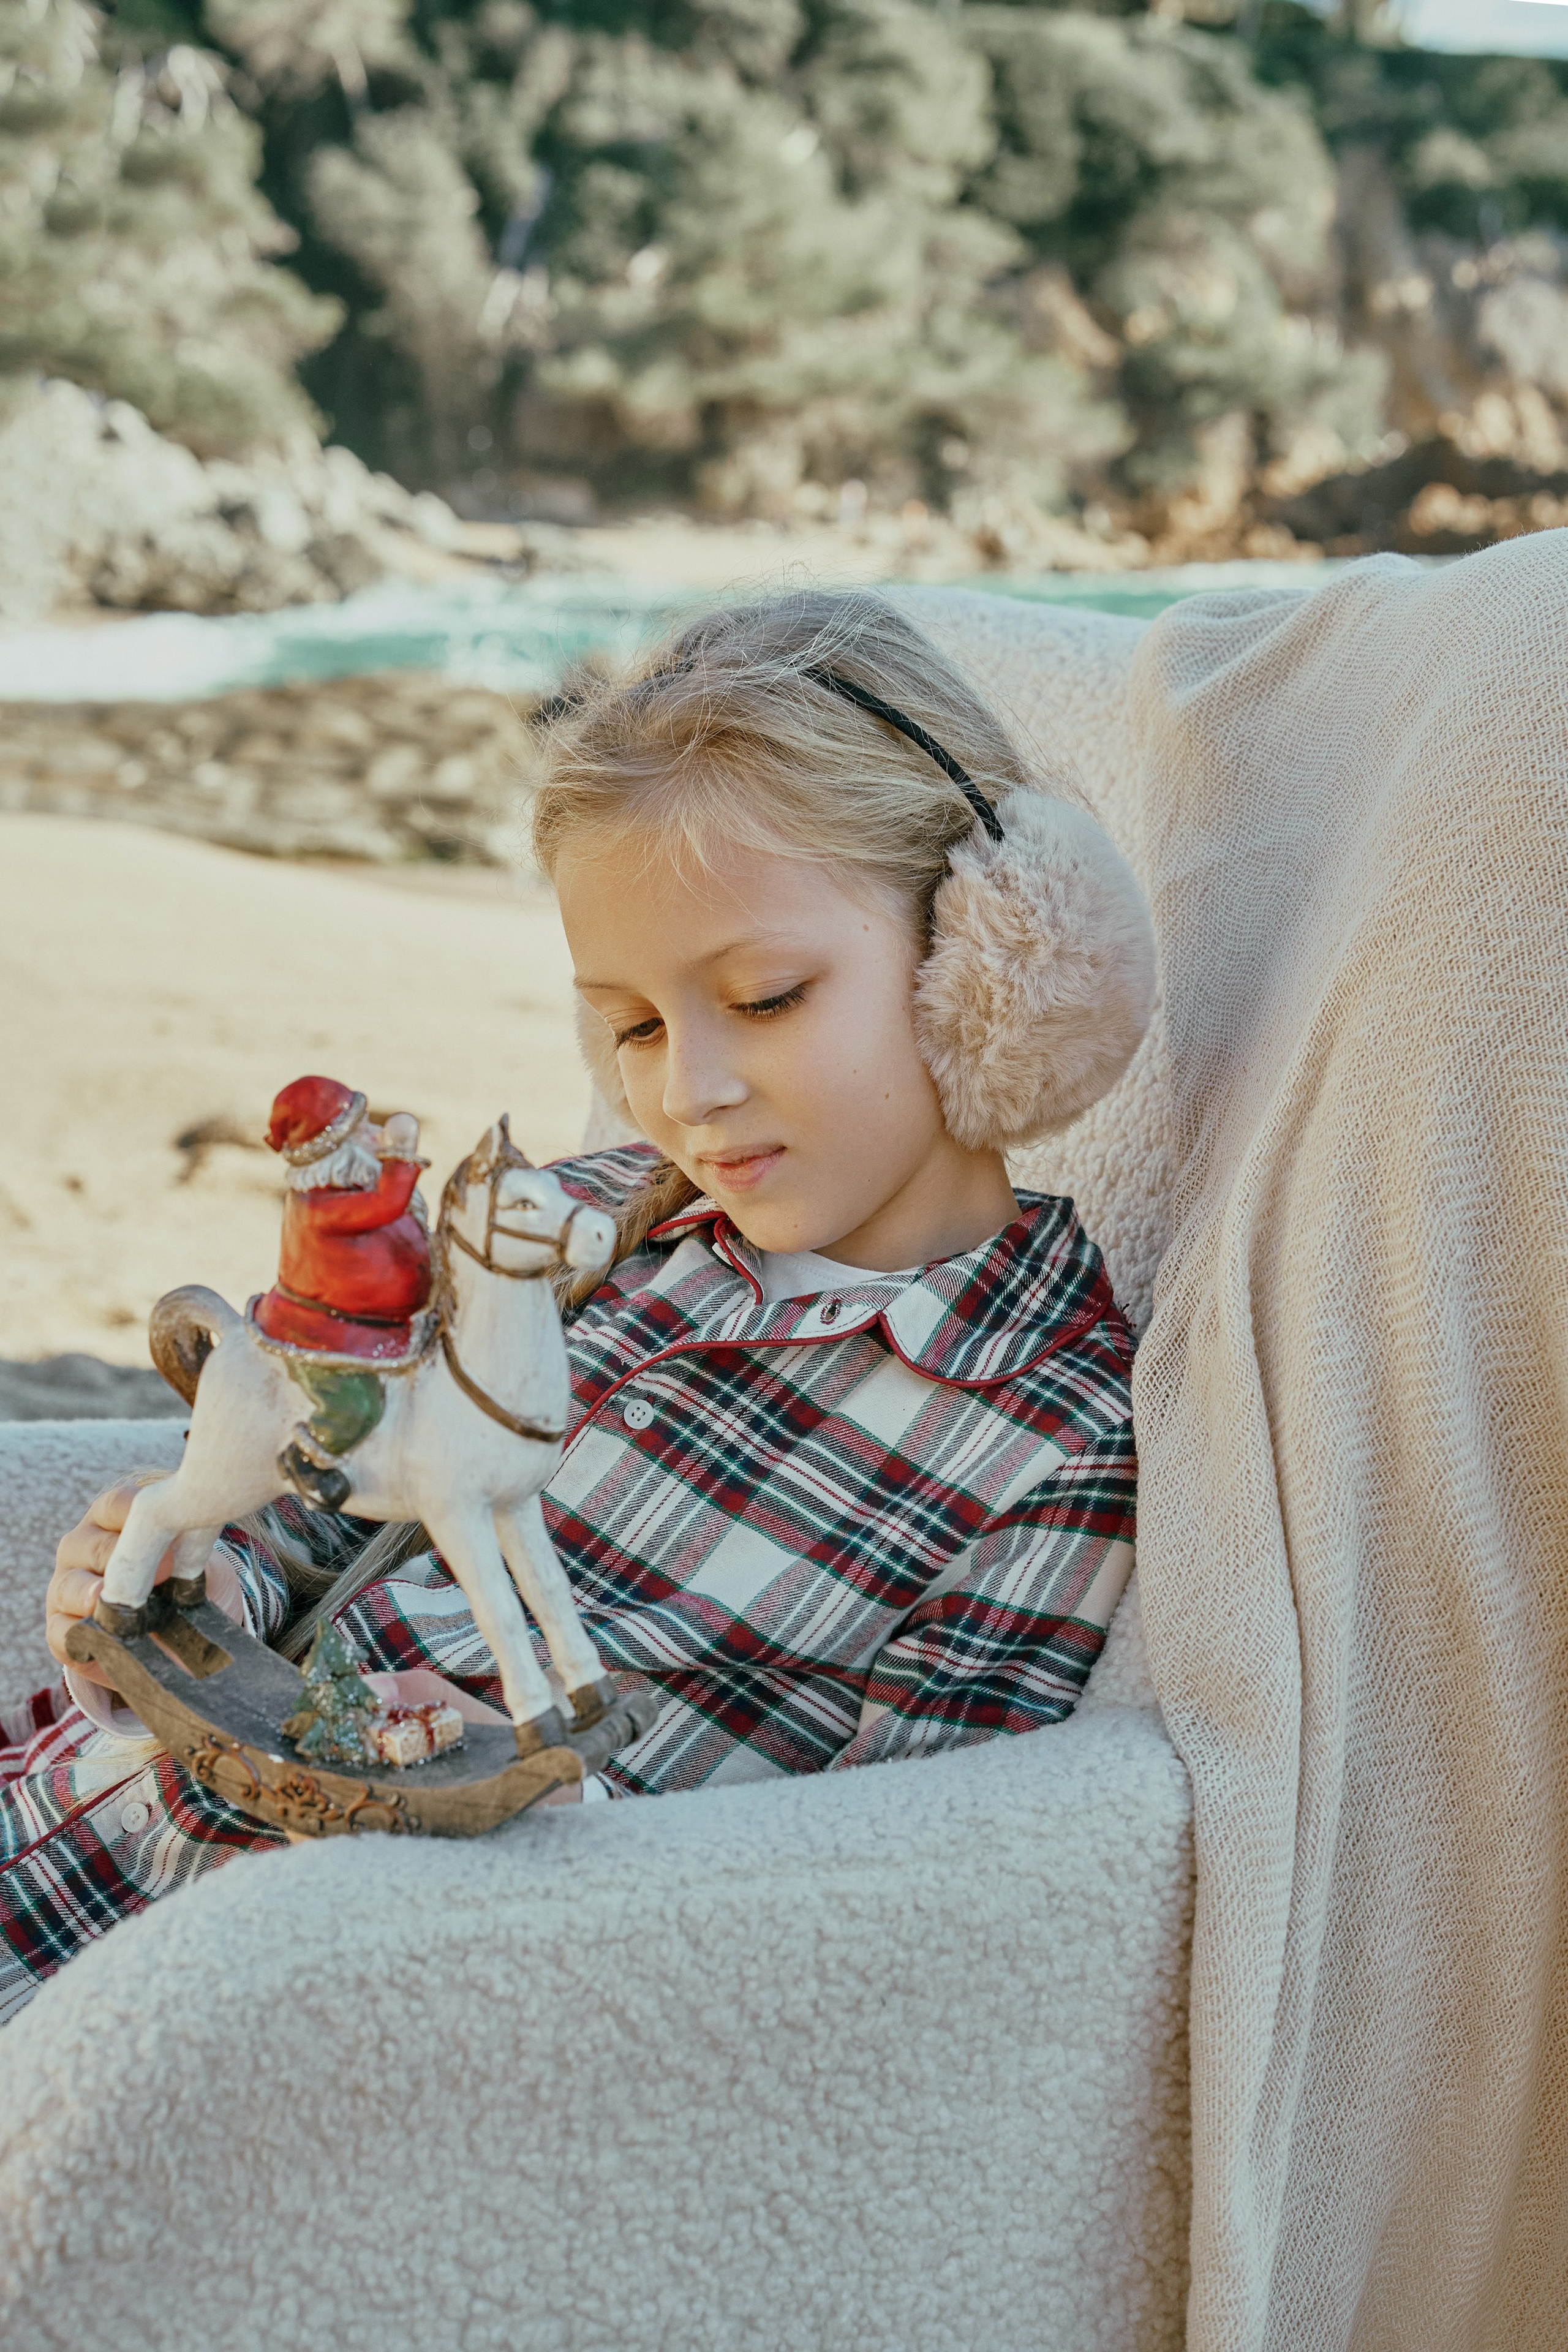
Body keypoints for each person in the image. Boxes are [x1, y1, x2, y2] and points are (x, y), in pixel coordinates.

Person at [0, 588, 1155, 2024]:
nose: (689, 1089)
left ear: (989, 963)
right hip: (59, 1846)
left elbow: (904, 1916)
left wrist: (543, 1807)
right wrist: (210, 1583)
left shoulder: (1049, 1434)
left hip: (274, 2015)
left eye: (769, 996)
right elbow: (329, 1492)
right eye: (632, 1025)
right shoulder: (596, 1226)